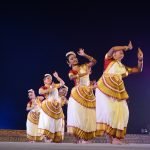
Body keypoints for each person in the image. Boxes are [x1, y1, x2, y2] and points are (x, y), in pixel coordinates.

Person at [96, 41, 143, 144]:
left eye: (123, 52)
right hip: (105, 89)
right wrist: (126, 47)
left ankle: (116, 137)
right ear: (114, 55)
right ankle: (112, 137)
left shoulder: (123, 67)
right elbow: (113, 48)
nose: (121, 52)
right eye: (119, 51)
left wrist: (140, 60)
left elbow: (138, 70)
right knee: (109, 112)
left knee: (123, 111)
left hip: (118, 91)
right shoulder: (108, 60)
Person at [66, 48, 97, 143]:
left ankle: (85, 137)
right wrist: (84, 73)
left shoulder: (85, 66)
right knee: (77, 116)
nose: (74, 59)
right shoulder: (71, 71)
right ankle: (78, 138)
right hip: (78, 93)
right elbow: (71, 77)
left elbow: (94, 61)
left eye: (75, 57)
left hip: (88, 92)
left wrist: (84, 54)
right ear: (69, 63)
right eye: (71, 59)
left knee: (87, 115)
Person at [38, 72, 65, 143]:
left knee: (56, 121)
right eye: (48, 78)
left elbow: (62, 83)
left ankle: (54, 137)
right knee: (48, 121)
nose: (50, 79)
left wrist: (57, 77)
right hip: (48, 106)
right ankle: (47, 137)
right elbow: (40, 92)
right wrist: (50, 88)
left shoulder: (55, 85)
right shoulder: (44, 87)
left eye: (50, 78)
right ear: (44, 80)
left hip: (56, 106)